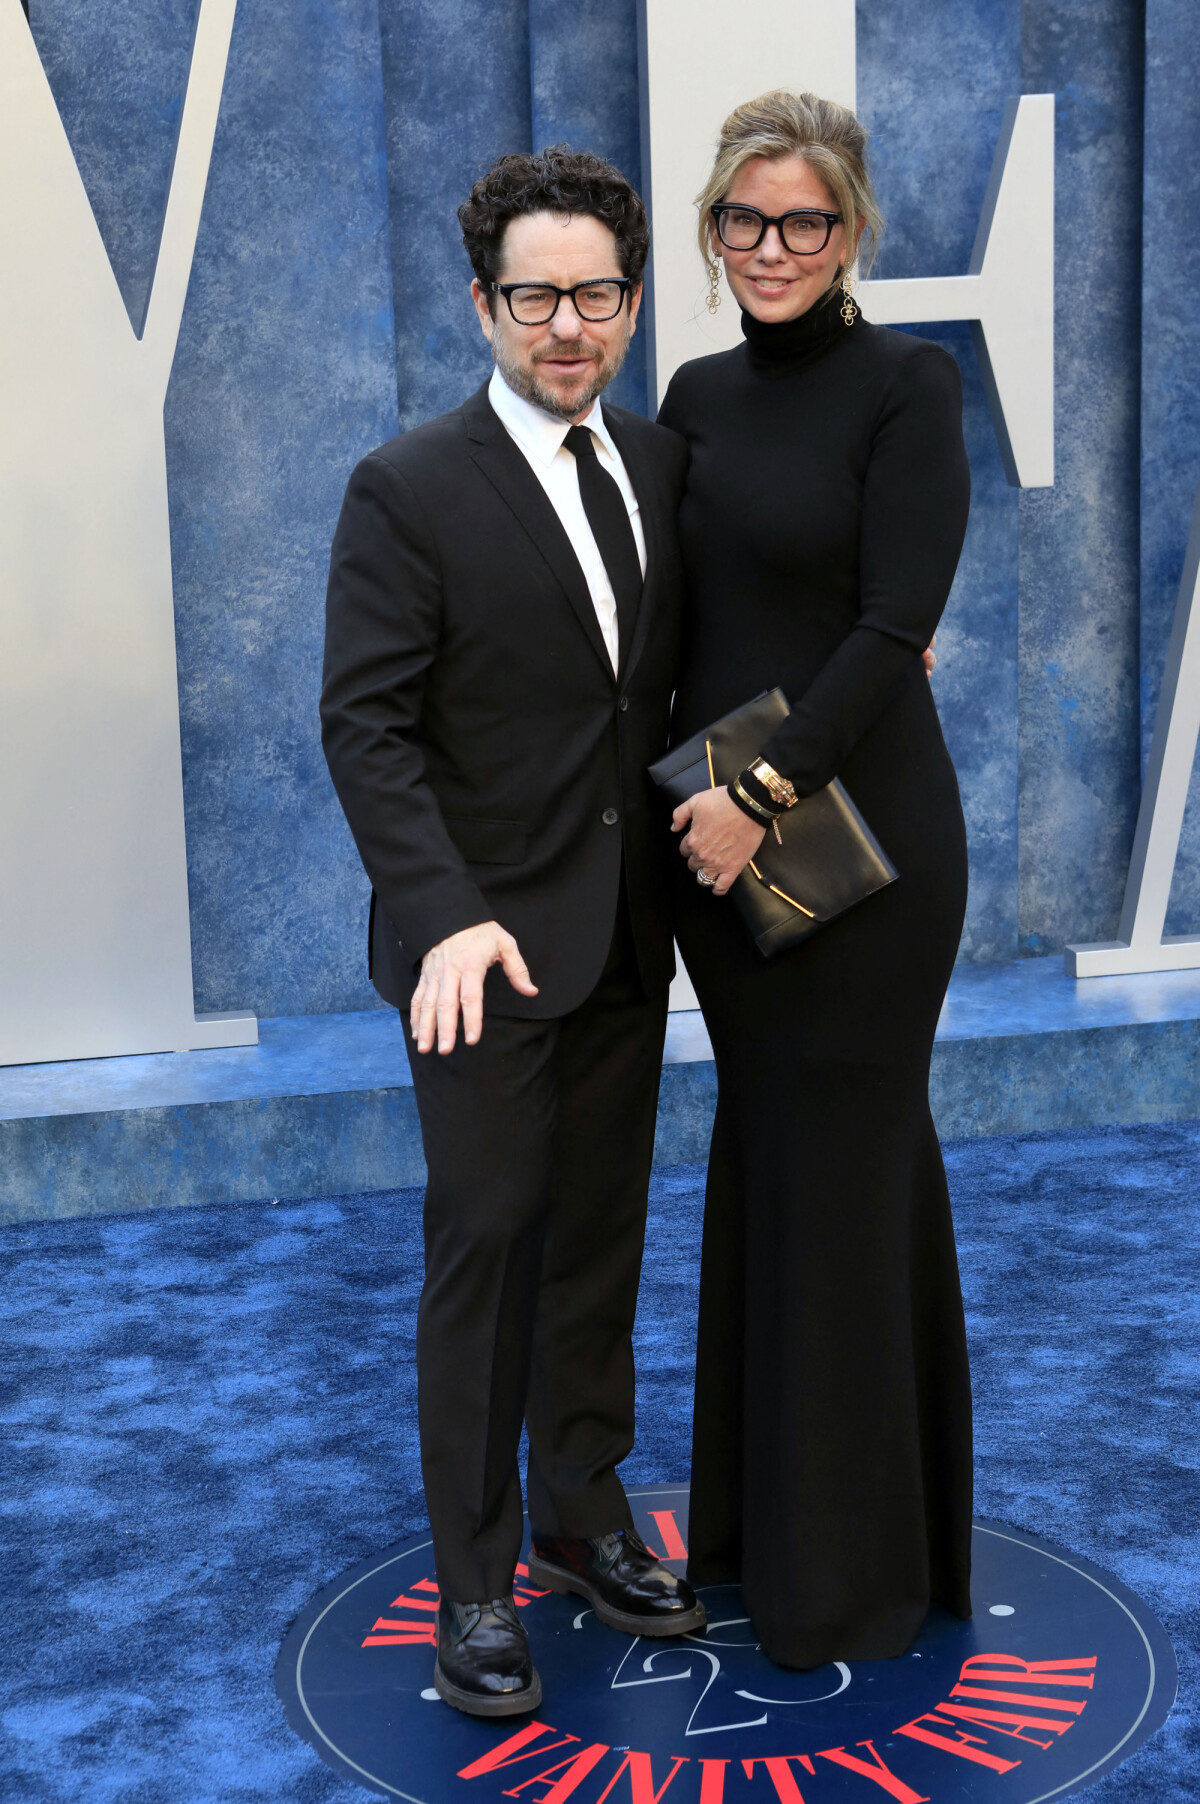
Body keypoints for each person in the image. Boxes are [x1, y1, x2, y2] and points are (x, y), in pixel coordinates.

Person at [320, 147, 704, 1719]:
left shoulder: (662, 465)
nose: (569, 324)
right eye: (535, 296)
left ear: (628, 301)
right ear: (485, 305)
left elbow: (671, 676)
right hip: (476, 960)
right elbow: (366, 729)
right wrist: (446, 923)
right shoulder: (405, 486)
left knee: (598, 1245)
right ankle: (474, 1585)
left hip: (623, 939)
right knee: (486, 1253)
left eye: (597, 293)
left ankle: (580, 1515)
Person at [659, 90, 974, 1670]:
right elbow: (673, 623)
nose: (772, 247)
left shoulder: (910, 384)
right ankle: (753, 1532)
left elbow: (892, 621)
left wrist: (758, 798)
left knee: (843, 1174)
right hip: (716, 865)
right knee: (772, 1164)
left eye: (805, 221)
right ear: (712, 231)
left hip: (859, 850)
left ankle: (850, 1577)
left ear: (852, 232)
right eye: (744, 220)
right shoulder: (693, 391)